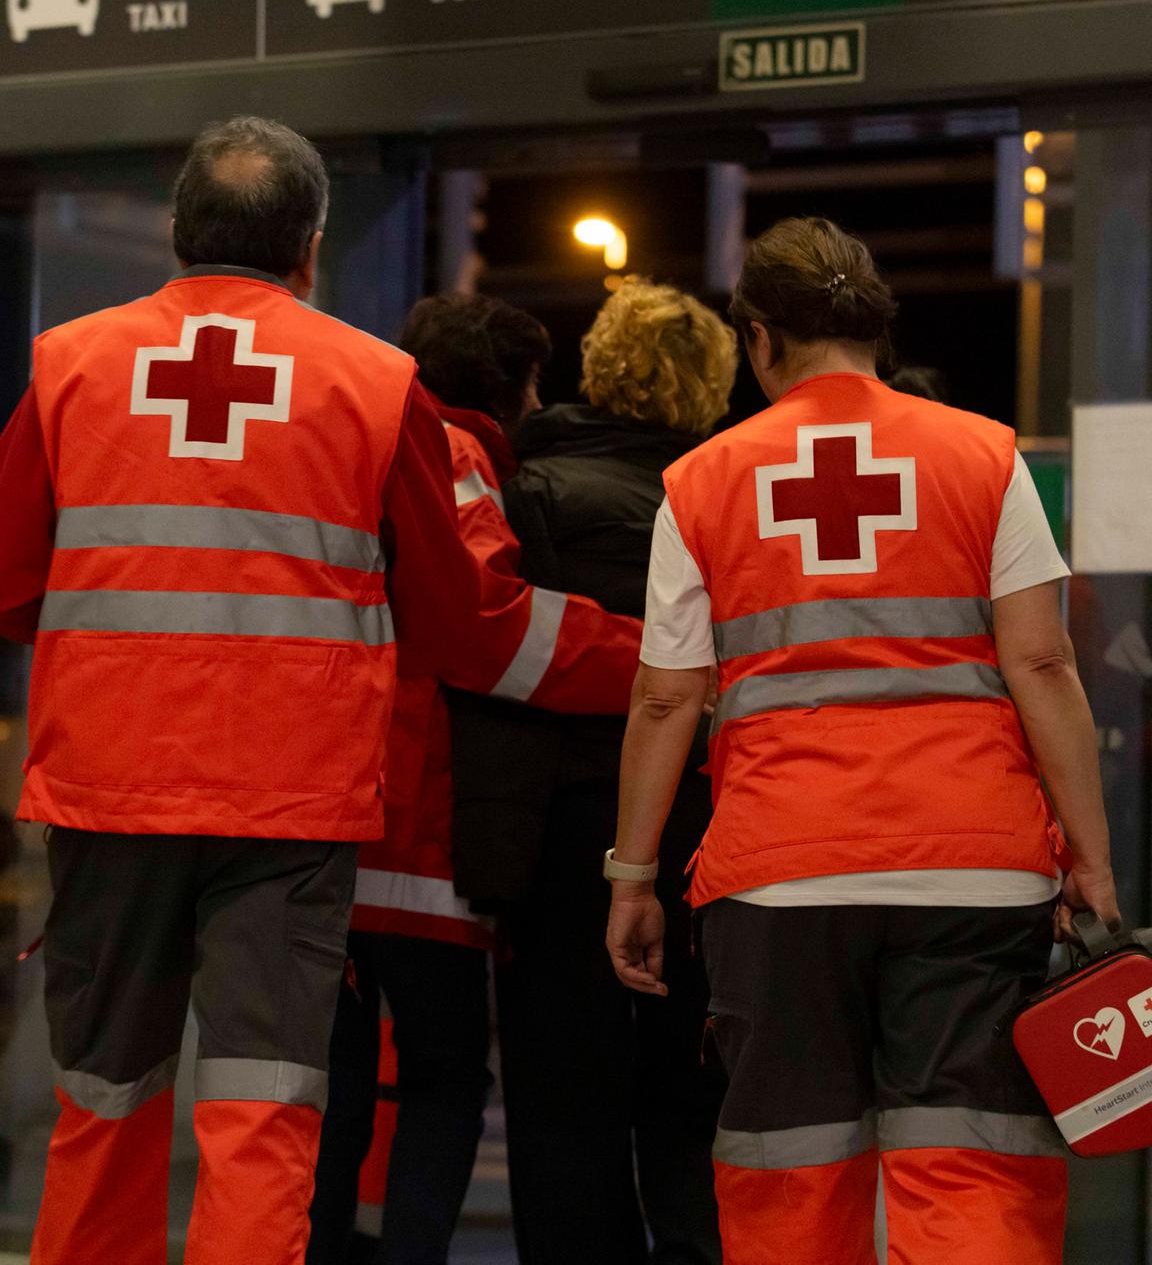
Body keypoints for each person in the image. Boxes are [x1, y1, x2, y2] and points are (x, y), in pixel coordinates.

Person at [0, 116, 481, 1265]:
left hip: (108, 789)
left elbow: (13, 581)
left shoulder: (68, 364)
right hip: (291, 801)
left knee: (105, 1091)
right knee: (263, 1108)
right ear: (310, 246)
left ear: (177, 233)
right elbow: (450, 617)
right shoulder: (377, 384)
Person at [605, 216, 1120, 1265]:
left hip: (779, 877)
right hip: (976, 875)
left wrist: (633, 876)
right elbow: (1045, 665)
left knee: (792, 1175)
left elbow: (666, 701)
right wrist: (1092, 861)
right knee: (974, 1167)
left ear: (757, 340)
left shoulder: (702, 483)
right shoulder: (984, 455)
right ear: (874, 330)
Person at [308, 292, 642, 1265]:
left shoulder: (351, 451)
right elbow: (489, 626)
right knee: (445, 1081)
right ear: (520, 394)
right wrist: (651, 659)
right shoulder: (456, 459)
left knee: (331, 1089)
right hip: (419, 835)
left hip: (326, 833)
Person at [488, 277, 736, 1265]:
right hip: (705, 824)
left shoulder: (531, 489)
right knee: (695, 1096)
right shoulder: (725, 501)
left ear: (597, 368)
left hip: (563, 835)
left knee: (561, 1107)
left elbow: (501, 664)